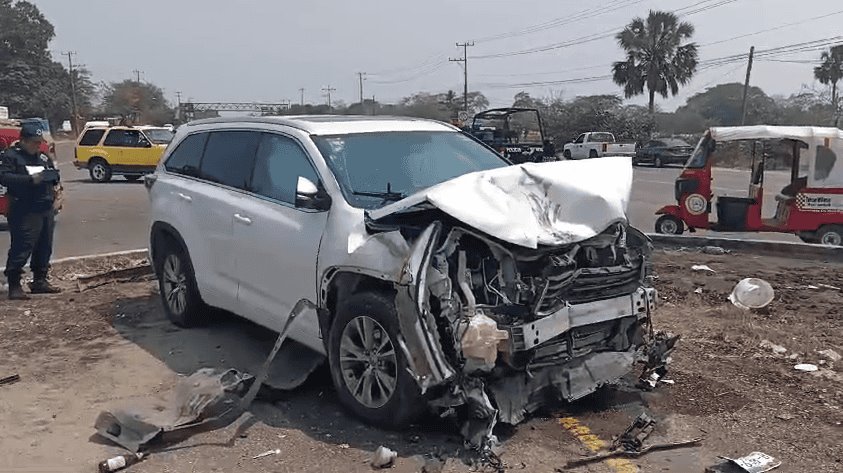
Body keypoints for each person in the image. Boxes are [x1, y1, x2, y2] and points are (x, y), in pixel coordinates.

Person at [0, 122, 62, 300]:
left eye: (38, 142)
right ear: (24, 141)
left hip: (44, 206)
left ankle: (39, 280)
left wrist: (52, 178)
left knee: (44, 245)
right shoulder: (11, 157)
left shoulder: (41, 157)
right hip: (24, 208)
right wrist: (29, 179)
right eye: (34, 142)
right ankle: (14, 284)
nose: (37, 145)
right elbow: (4, 177)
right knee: (23, 245)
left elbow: (54, 172)